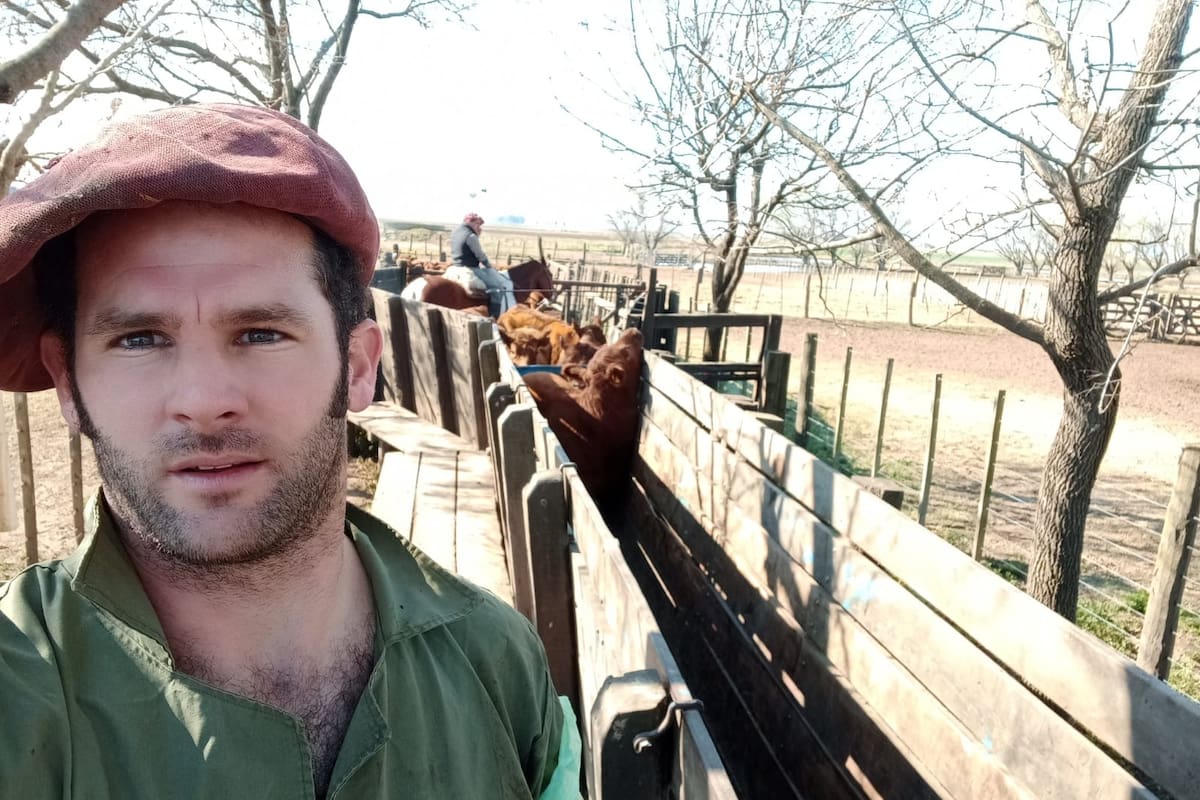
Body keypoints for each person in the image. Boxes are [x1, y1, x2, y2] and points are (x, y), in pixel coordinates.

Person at [0, 104, 578, 799]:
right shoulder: (20, 695)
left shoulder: (500, 667)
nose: (204, 399)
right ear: (68, 382)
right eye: (139, 338)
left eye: (261, 333)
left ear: (358, 366)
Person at [450, 212, 516, 317]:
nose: (479, 227)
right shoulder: (471, 236)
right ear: (472, 223)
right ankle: (494, 318)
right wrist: (488, 265)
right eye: (478, 224)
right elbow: (480, 255)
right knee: (497, 289)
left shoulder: (455, 232)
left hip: (455, 266)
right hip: (470, 268)